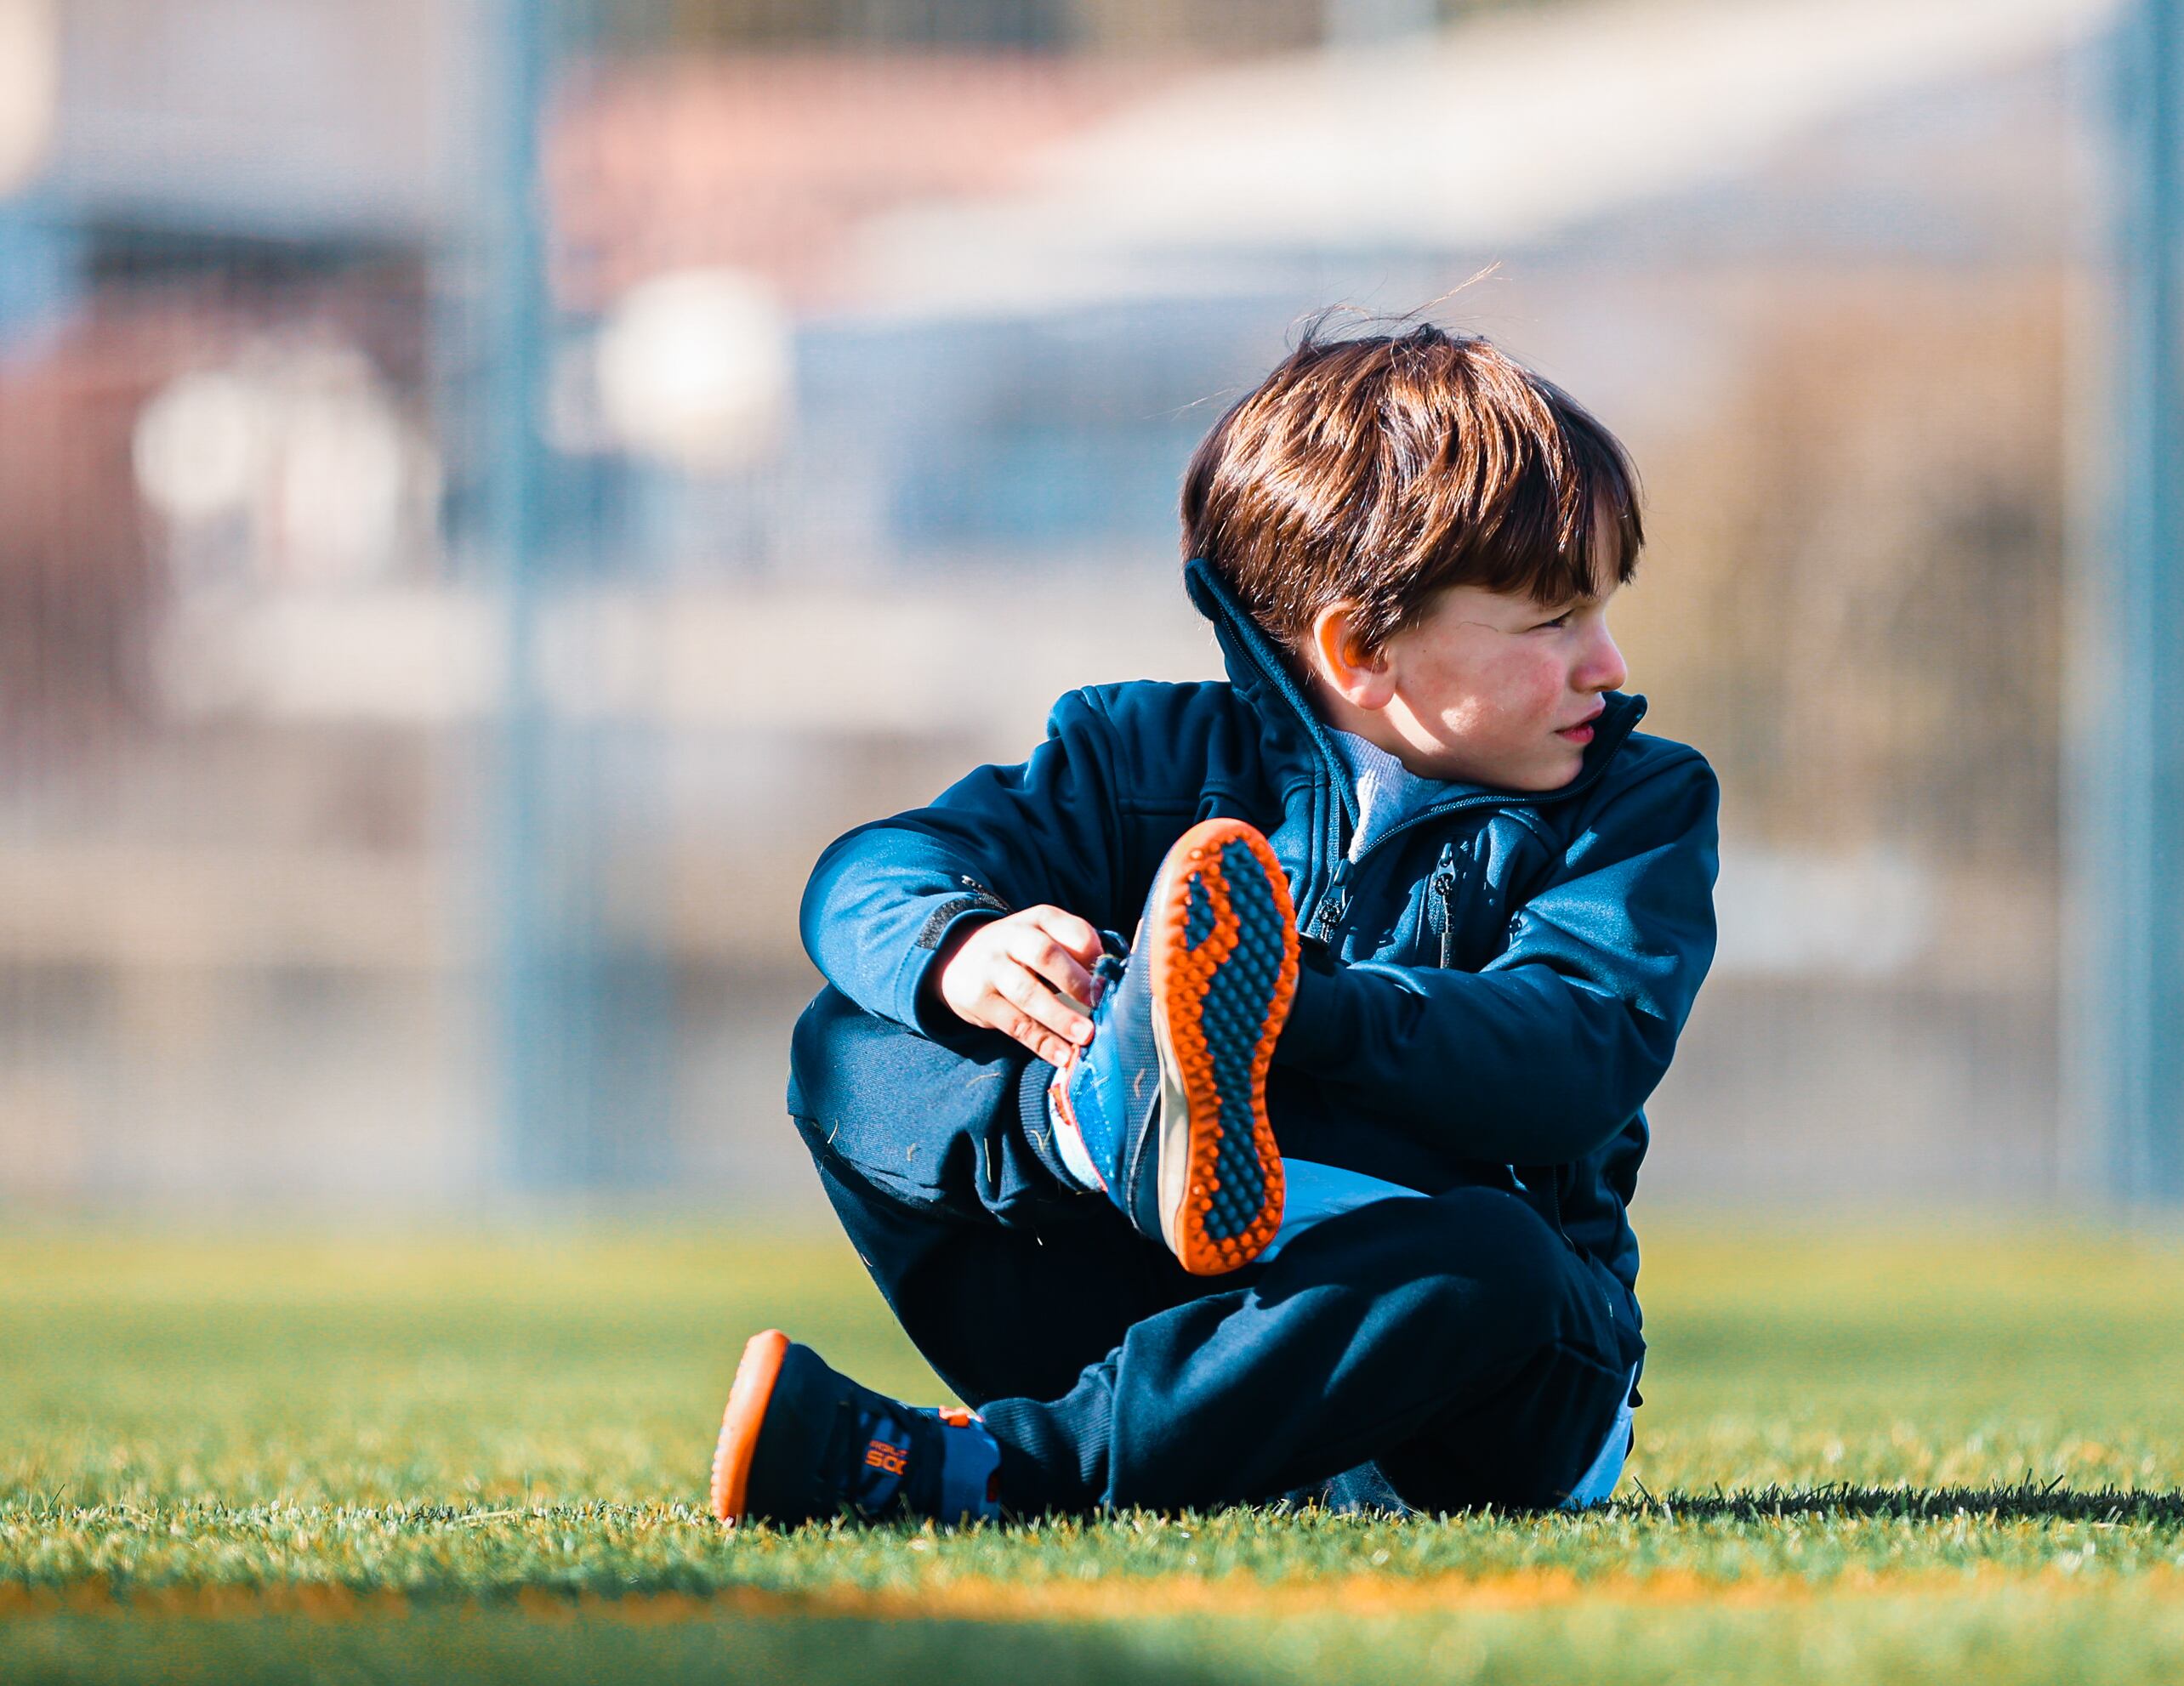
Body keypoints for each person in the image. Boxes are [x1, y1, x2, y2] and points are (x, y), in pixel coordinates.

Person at [708, 321, 1720, 1527]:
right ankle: (1095, 1134)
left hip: (1473, 1389)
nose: (1604, 661)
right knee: (849, 1041)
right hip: (1159, 1316)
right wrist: (964, 951)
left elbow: (1573, 1052)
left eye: (1603, 608)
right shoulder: (1133, 754)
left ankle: (1000, 1475)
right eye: (1553, 619)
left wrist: (1290, 1007)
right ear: (1362, 649)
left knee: (1500, 1262)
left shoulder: (1638, 802)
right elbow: (866, 877)